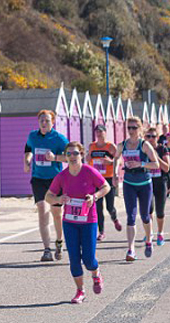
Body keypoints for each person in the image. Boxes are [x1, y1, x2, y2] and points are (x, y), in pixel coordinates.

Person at [46, 142, 111, 304]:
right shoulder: (62, 176)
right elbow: (48, 196)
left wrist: (94, 197)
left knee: (88, 259)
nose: (72, 157)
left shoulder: (89, 172)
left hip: (89, 221)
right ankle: (80, 291)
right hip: (70, 222)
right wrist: (59, 199)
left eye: (75, 153)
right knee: (74, 259)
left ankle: (96, 274)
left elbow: (106, 186)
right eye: (69, 154)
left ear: (81, 154)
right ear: (65, 157)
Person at [24, 110, 69, 261]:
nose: (44, 123)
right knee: (42, 211)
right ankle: (46, 249)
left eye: (47, 121)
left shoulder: (59, 138)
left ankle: (59, 241)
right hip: (38, 179)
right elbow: (28, 148)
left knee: (56, 214)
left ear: (53, 122)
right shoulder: (33, 136)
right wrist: (27, 160)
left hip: (55, 180)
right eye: (42, 120)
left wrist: (55, 157)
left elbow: (70, 157)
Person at [115, 116, 160, 261]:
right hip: (129, 183)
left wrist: (141, 164)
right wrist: (116, 174)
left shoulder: (145, 145)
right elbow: (116, 159)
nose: (131, 131)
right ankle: (131, 250)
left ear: (140, 129)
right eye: (129, 127)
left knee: (145, 215)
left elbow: (156, 164)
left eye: (134, 128)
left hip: (144, 184)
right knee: (131, 216)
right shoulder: (122, 145)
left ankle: (149, 240)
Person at [86, 124, 122, 241]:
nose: (99, 134)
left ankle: (114, 218)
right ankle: (101, 232)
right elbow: (88, 159)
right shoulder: (92, 146)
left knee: (110, 206)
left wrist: (110, 162)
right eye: (97, 132)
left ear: (105, 133)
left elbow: (119, 160)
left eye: (101, 132)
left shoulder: (110, 146)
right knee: (98, 207)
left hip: (107, 179)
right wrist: (87, 157)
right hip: (95, 179)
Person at [145, 128, 170, 246]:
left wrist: (156, 157)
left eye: (153, 136)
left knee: (160, 211)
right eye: (148, 136)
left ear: (157, 138)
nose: (150, 139)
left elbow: (166, 168)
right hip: (147, 182)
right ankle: (149, 232)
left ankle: (160, 233)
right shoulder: (143, 149)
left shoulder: (162, 149)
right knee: (148, 210)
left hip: (160, 182)